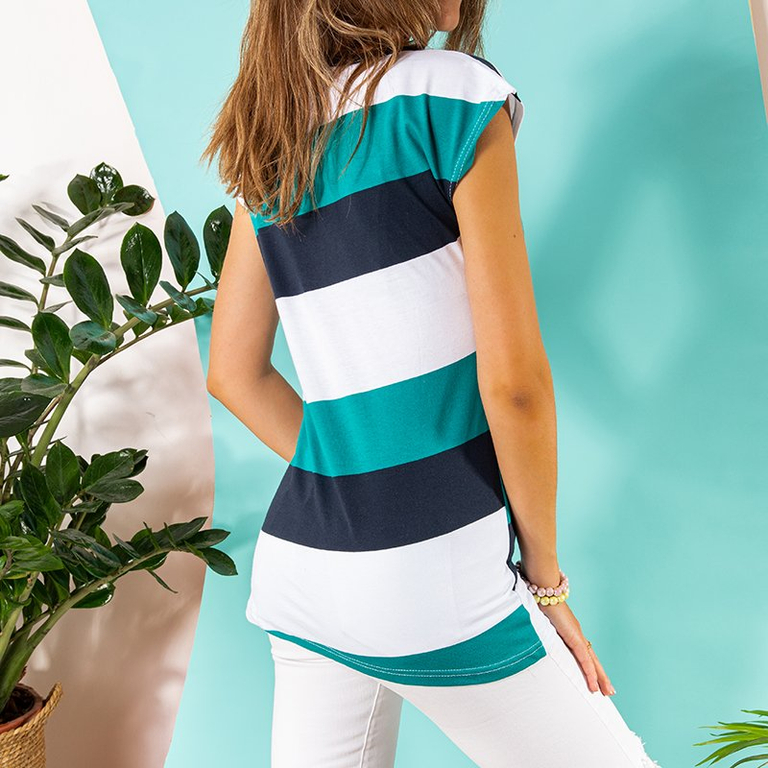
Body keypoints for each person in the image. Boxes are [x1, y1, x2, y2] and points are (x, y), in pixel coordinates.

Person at [203, 1, 662, 766]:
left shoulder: (276, 135)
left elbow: (233, 373)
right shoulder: (451, 96)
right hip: (430, 574)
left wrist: (360, 474)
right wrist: (546, 584)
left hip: (302, 574)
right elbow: (515, 384)